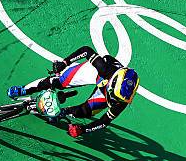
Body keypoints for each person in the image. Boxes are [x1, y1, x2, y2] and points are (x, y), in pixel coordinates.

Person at [7, 46, 139, 137]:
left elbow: (104, 121)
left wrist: (83, 129)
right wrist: (65, 62)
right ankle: (25, 89)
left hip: (105, 87)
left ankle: (63, 112)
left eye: (120, 100)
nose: (117, 102)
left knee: (85, 111)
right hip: (97, 74)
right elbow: (86, 51)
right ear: (112, 85)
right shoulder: (105, 68)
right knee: (59, 81)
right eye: (115, 97)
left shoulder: (121, 101)